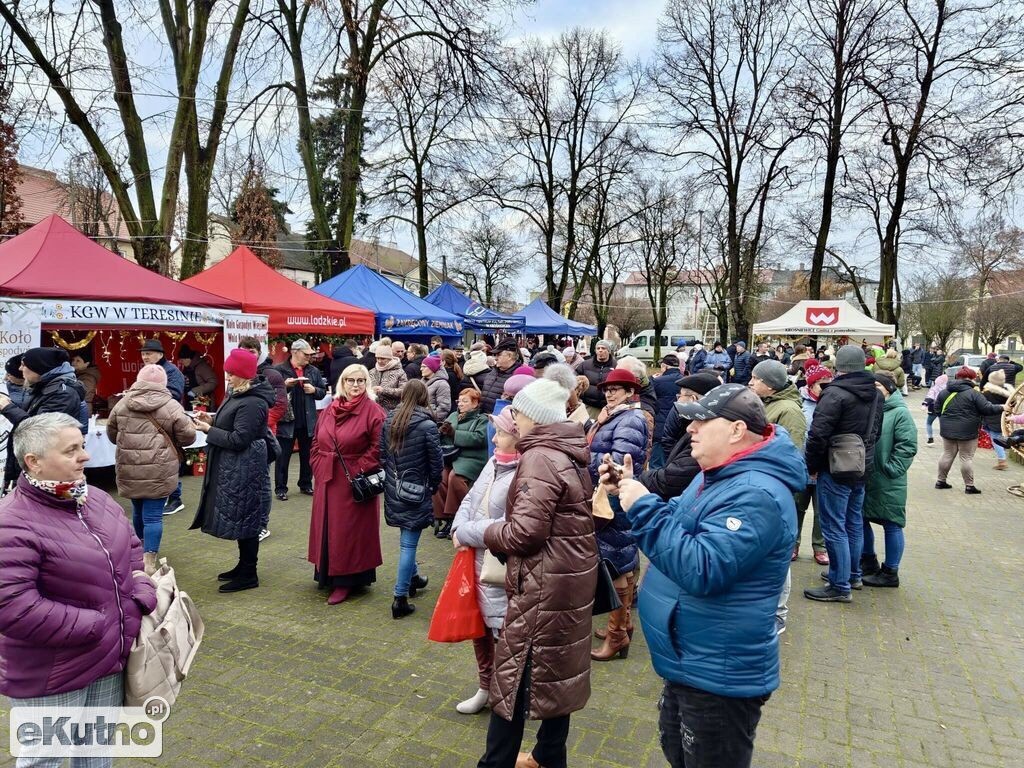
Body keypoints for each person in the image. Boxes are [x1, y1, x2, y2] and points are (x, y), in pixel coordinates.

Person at [604, 383, 802, 768]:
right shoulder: (717, 473)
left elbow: (701, 567)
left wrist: (642, 506)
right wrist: (630, 489)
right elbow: (677, 520)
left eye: (700, 421)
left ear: (735, 430)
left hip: (719, 673)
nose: (689, 429)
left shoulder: (756, 493)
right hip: (692, 660)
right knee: (678, 752)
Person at [0, 412, 157, 762]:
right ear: (34, 462)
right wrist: (100, 624)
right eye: (71, 450)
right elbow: (12, 606)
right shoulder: (10, 522)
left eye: (83, 446)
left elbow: (131, 548)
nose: (85, 456)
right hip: (51, 671)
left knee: (97, 754)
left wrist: (141, 591)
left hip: (107, 661)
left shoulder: (95, 499)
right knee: (45, 759)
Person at [472, 374, 598, 768]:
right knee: (558, 673)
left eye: (518, 411)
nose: (513, 418)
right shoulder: (569, 451)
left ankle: (496, 763)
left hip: (542, 585)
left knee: (512, 682)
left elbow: (525, 533)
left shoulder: (540, 457)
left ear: (534, 417)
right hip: (568, 580)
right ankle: (547, 756)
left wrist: (487, 531)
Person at [449, 408, 518, 716]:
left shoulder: (523, 473)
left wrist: (464, 532)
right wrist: (456, 526)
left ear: (517, 438)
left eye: (501, 432)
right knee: (479, 629)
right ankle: (484, 687)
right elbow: (470, 499)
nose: (495, 436)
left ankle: (508, 695)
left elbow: (508, 523)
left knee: (503, 633)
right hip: (474, 560)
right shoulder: (493, 462)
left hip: (499, 564)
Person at [189, 348, 276, 592]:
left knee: (247, 517)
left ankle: (250, 573)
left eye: (231, 373)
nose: (227, 377)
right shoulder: (238, 394)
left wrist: (208, 432)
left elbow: (240, 439)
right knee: (241, 516)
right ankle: (243, 565)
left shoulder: (254, 402)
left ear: (244, 375)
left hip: (246, 466)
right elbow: (232, 424)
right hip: (237, 466)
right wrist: (211, 420)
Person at [803, 345, 883, 603]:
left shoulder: (835, 394)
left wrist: (811, 465)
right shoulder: (876, 393)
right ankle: (853, 574)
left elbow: (817, 434)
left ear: (839, 367)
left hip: (835, 466)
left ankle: (839, 585)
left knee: (834, 526)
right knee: (853, 523)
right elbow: (876, 433)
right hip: (861, 466)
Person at [309, 363, 386, 605]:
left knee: (348, 532)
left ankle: (347, 581)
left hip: (353, 481)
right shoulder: (330, 408)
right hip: (326, 477)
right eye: (350, 381)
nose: (355, 385)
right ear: (342, 383)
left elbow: (379, 449)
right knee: (326, 527)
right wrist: (317, 464)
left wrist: (358, 470)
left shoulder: (374, 412)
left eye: (360, 381)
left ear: (367, 383)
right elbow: (316, 440)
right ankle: (326, 574)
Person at [107, 364, 196, 573]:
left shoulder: (123, 403)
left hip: (129, 466)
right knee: (153, 516)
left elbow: (112, 434)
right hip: (159, 467)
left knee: (137, 510)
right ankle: (149, 559)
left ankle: (137, 551)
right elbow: (188, 436)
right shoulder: (171, 405)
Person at [585, 368, 648, 662]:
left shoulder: (631, 418)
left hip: (617, 497)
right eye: (607, 388)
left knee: (617, 565)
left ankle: (617, 635)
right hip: (609, 495)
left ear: (629, 391)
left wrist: (581, 453)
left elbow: (621, 459)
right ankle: (623, 625)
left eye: (617, 388)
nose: (610, 392)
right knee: (620, 561)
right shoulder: (609, 415)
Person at [749, 359, 807, 634]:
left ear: (770, 385)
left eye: (755, 379)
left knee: (777, 553)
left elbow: (791, 455)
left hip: (776, 490)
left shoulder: (788, 410)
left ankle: (778, 614)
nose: (750, 382)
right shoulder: (768, 404)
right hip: (762, 485)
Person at [380, 380, 443, 619]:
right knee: (408, 544)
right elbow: (436, 462)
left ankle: (414, 578)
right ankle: (400, 597)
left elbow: (381, 455)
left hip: (394, 487)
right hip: (417, 489)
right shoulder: (427, 425)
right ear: (423, 397)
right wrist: (433, 485)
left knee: (406, 537)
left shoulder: (389, 420)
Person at [0, 347, 85, 491]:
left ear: (39, 368)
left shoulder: (62, 394)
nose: (20, 369)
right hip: (37, 465)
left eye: (24, 365)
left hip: (48, 469)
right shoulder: (43, 388)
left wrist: (7, 408)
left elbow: (40, 430)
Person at [861, 373, 917, 588]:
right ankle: (867, 561)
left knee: (892, 523)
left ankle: (890, 571)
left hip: (888, 478)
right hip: (868, 475)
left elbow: (907, 445)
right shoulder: (871, 407)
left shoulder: (900, 412)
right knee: (862, 518)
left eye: (877, 385)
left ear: (889, 389)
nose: (873, 389)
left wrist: (892, 469)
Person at [639, 374, 718, 501]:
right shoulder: (687, 420)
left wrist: (633, 480)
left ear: (693, 399)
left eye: (680, 396)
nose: (677, 400)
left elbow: (672, 478)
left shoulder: (705, 436)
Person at [933, 366, 1008, 494]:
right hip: (968, 430)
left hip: (947, 428)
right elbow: (986, 409)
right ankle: (969, 486)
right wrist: (1002, 407)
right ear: (971, 378)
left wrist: (947, 421)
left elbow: (937, 409)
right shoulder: (974, 393)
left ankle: (940, 481)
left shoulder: (944, 392)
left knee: (947, 454)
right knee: (966, 457)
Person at [274, 339, 328, 501]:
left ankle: (305, 484)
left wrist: (314, 390)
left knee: (307, 456)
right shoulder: (280, 370)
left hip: (307, 420)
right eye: (306, 354)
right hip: (287, 419)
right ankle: (280, 488)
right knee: (283, 456)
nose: (309, 357)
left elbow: (322, 392)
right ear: (295, 352)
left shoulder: (313, 371)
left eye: (310, 354)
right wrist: (284, 386)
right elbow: (271, 393)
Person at [434, 388, 488, 539]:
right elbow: (445, 439)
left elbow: (479, 438)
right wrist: (441, 433)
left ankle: (455, 517)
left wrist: (454, 434)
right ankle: (442, 515)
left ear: (475, 403)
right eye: (459, 401)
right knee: (439, 476)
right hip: (452, 456)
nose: (460, 404)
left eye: (465, 401)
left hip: (472, 457)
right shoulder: (453, 415)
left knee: (455, 477)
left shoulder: (481, 419)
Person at [796, 366, 833, 564]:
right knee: (797, 507)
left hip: (825, 467)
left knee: (822, 511)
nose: (827, 388)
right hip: (802, 465)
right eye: (822, 384)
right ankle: (793, 544)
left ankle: (819, 547)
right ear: (811, 385)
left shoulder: (834, 402)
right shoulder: (800, 403)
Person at [239, 336, 288, 436]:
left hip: (264, 431)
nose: (247, 355)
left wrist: (253, 423)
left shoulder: (272, 374)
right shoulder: (236, 375)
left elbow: (279, 406)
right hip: (240, 429)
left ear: (259, 353)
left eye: (252, 352)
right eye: (243, 352)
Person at [651, 354, 682, 470]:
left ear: (664, 366)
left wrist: (651, 378)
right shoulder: (686, 380)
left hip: (660, 427)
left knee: (656, 464)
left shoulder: (658, 381)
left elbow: (646, 392)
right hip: (679, 428)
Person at [982, 368, 1014, 470]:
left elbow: (984, 406)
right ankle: (1002, 457)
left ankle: (1002, 461)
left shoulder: (987, 393)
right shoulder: (1010, 393)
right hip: (1005, 418)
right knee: (999, 437)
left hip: (992, 419)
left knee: (996, 439)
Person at [479, 339, 520, 414]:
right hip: (484, 418)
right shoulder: (493, 371)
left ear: (509, 356)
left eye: (499, 355)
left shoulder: (518, 377)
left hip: (502, 421)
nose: (495, 358)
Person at [580, 340, 616, 418]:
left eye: (603, 348)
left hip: (609, 406)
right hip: (590, 406)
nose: (600, 350)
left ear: (609, 351)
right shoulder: (585, 365)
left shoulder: (616, 365)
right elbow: (575, 379)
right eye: (598, 348)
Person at [177, 343, 218, 409]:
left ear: (188, 359)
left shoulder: (202, 367)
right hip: (189, 400)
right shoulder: (187, 367)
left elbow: (213, 382)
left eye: (182, 360)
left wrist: (195, 391)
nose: (181, 362)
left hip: (202, 401)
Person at [368, 344, 408, 411]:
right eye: (378, 358)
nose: (379, 361)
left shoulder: (399, 372)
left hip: (392, 411)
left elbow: (404, 391)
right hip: (372, 409)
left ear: (389, 358)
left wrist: (384, 390)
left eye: (383, 358)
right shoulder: (372, 372)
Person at [421, 355, 452, 423]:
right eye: (421, 366)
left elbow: (444, 408)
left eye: (424, 366)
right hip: (421, 420)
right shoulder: (422, 382)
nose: (421, 369)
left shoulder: (442, 384)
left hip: (432, 422)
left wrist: (430, 420)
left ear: (432, 368)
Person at [70, 348, 101, 416]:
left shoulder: (88, 377)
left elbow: (82, 391)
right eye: (73, 360)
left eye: (78, 361)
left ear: (86, 363)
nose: (74, 363)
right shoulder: (78, 375)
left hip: (81, 409)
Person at [922, 373, 948, 447]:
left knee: (929, 423)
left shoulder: (934, 388)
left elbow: (930, 397)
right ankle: (947, 440)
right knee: (943, 424)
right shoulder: (948, 389)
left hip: (933, 407)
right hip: (944, 408)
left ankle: (930, 439)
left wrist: (925, 404)